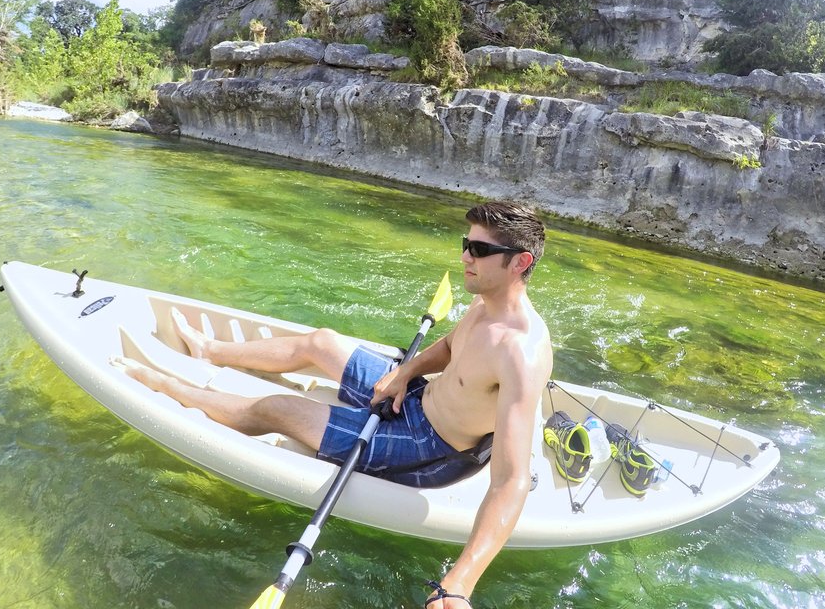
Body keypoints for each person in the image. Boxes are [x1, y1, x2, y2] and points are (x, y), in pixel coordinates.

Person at [124, 200, 553, 608]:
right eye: (465, 245)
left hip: (428, 448)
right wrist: (404, 373)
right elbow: (448, 346)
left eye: (478, 250)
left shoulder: (522, 353)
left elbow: (511, 480)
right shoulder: (484, 304)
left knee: (279, 410)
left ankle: (170, 387)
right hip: (420, 396)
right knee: (322, 342)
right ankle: (209, 350)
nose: (465, 257)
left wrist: (459, 582)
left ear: (520, 262)